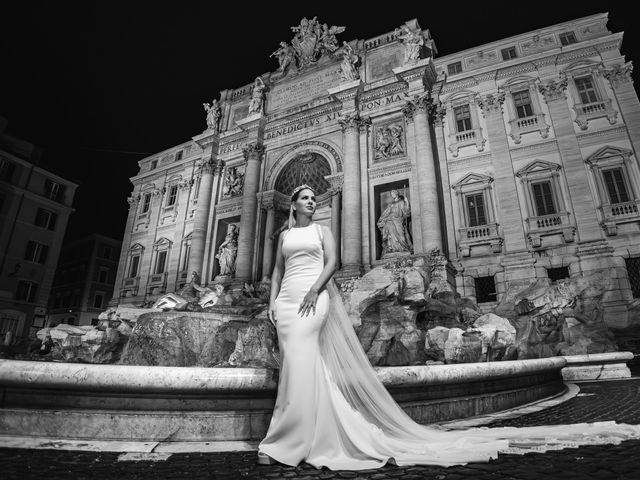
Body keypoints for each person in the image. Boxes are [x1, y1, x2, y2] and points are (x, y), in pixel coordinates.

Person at [256, 184, 640, 471]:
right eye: (304, 198)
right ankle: (299, 433)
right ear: (291, 205)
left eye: (313, 197)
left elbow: (334, 263)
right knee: (297, 365)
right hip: (286, 302)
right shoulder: (286, 235)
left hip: (313, 297)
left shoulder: (322, 231)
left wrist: (313, 290)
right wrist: (274, 302)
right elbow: (276, 271)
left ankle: (291, 438)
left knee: (304, 362)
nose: (311, 201)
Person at [377, 189, 412, 255]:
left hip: (398, 220)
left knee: (401, 236)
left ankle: (403, 248)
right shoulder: (391, 204)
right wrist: (382, 220)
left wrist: (406, 203)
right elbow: (386, 213)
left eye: (393, 194)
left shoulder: (401, 202)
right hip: (390, 220)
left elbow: (406, 212)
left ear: (396, 194)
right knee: (390, 230)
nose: (392, 195)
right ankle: (392, 248)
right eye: (391, 194)